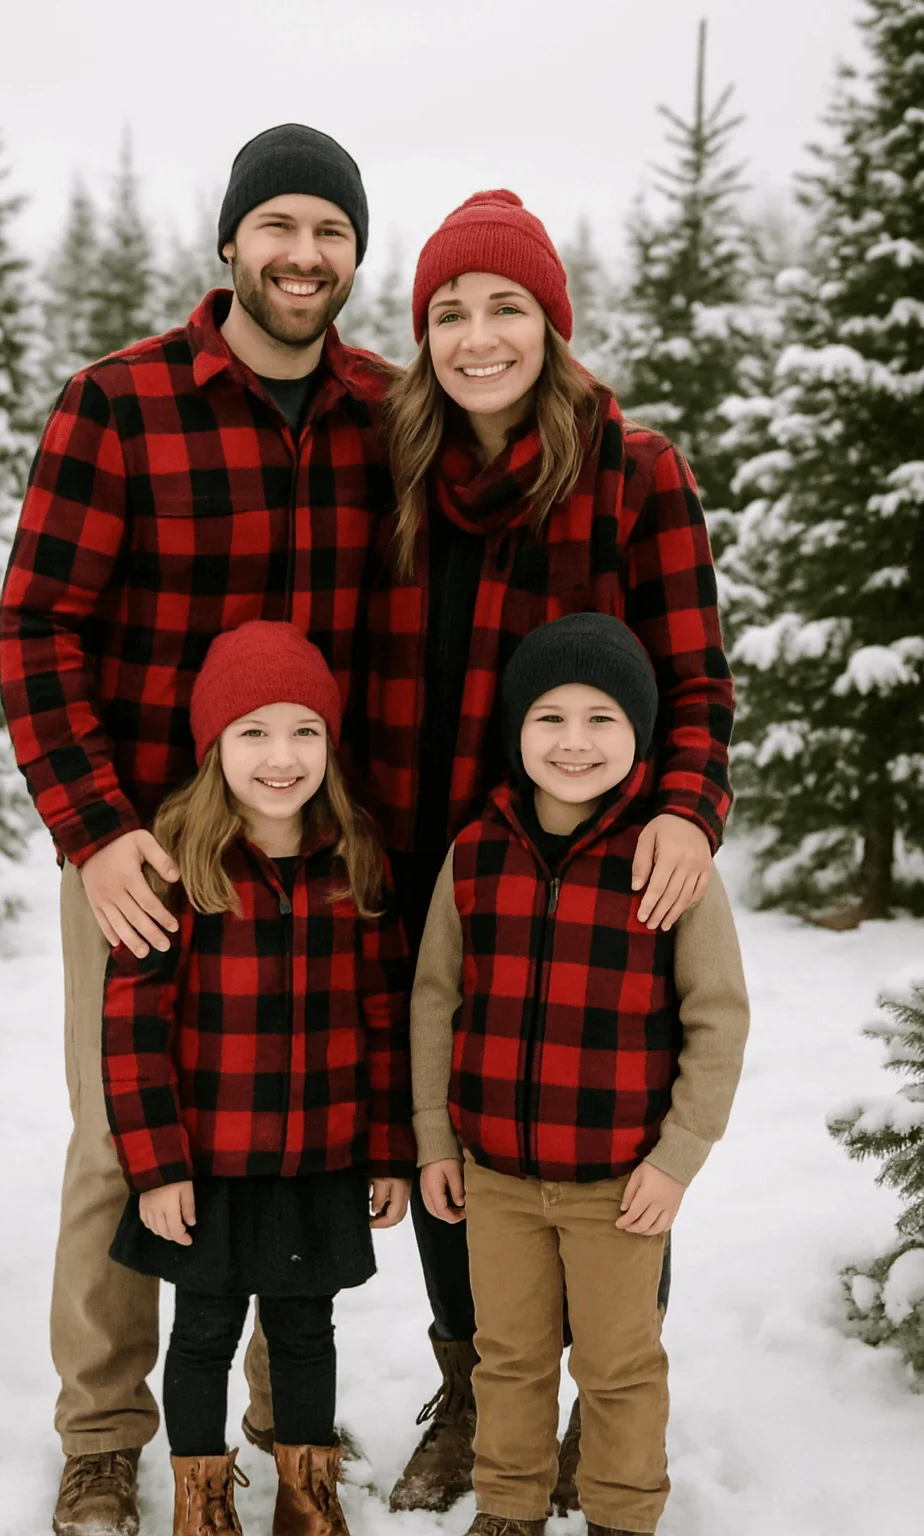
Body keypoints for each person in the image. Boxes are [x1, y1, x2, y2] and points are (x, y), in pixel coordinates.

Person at [0, 124, 394, 1536]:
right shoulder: (120, 404)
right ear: (229, 243)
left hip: (317, 849)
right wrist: (96, 830)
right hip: (145, 847)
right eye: (278, 225)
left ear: (355, 253)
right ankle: (106, 1436)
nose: (304, 254)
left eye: (331, 231)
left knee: (305, 1127)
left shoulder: (383, 413)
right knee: (127, 1135)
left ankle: (287, 1425)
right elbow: (37, 625)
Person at [353, 191, 736, 1512]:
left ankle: (602, 1400)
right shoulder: (398, 467)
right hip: (436, 861)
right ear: (422, 334)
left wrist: (684, 809)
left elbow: (696, 680)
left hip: (596, 860)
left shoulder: (635, 471)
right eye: (449, 311)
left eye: (506, 306)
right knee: (459, 1131)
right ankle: (475, 1388)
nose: (478, 336)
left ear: (551, 323)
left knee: (605, 1115)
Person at [410, 613, 749, 1536]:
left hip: (619, 1183)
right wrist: (436, 1138)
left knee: (618, 1365)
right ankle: (509, 1507)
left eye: (602, 718)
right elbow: (436, 998)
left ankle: (622, 1513)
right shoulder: (474, 854)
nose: (574, 741)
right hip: (496, 1177)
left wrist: (677, 1158)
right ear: (516, 729)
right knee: (509, 1356)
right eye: (549, 717)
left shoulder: (667, 862)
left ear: (640, 732)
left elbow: (718, 1017)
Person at [103, 619, 414, 1536]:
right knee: (202, 1332)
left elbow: (386, 1018)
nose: (282, 757)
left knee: (306, 1331)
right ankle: (201, 1505)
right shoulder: (177, 864)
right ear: (215, 744)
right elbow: (133, 1029)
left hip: (320, 1160)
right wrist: (158, 1167)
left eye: (305, 731)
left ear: (329, 742)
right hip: (210, 1165)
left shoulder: (355, 858)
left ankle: (308, 1500)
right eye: (254, 733)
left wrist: (389, 1150)